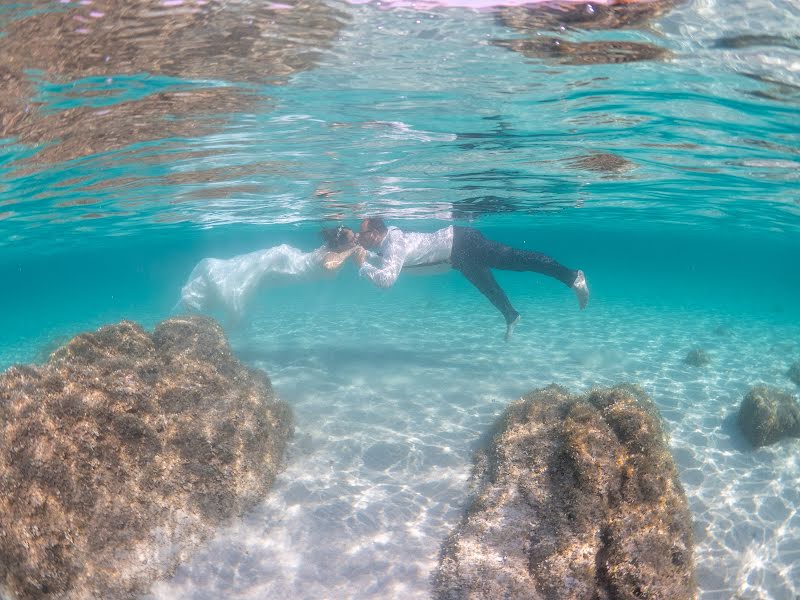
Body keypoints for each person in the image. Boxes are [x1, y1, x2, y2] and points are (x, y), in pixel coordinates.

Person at [354, 218, 588, 340]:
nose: (358, 236)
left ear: (374, 233)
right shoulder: (387, 244)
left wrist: (362, 266)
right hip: (456, 254)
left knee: (517, 261)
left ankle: (572, 276)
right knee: (488, 288)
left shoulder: (393, 243)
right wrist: (368, 256)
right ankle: (511, 315)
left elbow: (386, 280)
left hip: (462, 243)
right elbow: (391, 260)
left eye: (360, 232)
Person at [178, 226, 358, 320]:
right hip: (283, 265)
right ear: (340, 243)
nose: (356, 237)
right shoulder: (332, 254)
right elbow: (328, 266)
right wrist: (350, 251)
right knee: (242, 279)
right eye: (353, 237)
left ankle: (200, 296)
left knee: (243, 275)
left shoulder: (333, 249)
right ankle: (198, 296)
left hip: (285, 263)